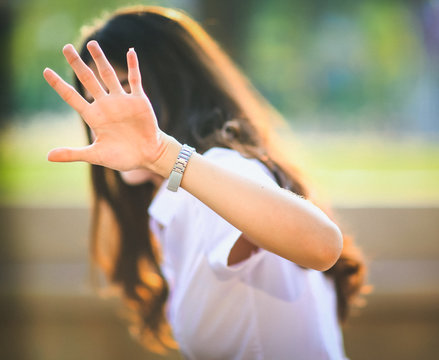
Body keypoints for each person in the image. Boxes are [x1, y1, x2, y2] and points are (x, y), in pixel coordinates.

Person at [43, 5, 368, 359]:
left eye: (125, 91)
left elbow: (320, 245)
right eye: (94, 101)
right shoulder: (178, 194)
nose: (108, 117)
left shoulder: (216, 172)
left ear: (176, 85)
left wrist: (160, 153)